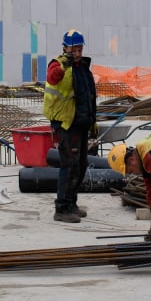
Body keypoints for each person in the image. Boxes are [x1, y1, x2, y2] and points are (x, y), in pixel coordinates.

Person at [42, 29, 97, 223]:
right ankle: (62, 208)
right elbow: (52, 78)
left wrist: (92, 121)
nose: (78, 53)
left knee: (80, 166)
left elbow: (88, 95)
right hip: (66, 124)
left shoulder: (82, 67)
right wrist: (64, 64)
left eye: (80, 49)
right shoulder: (58, 65)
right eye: (75, 49)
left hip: (81, 123)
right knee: (69, 165)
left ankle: (71, 203)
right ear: (65, 48)